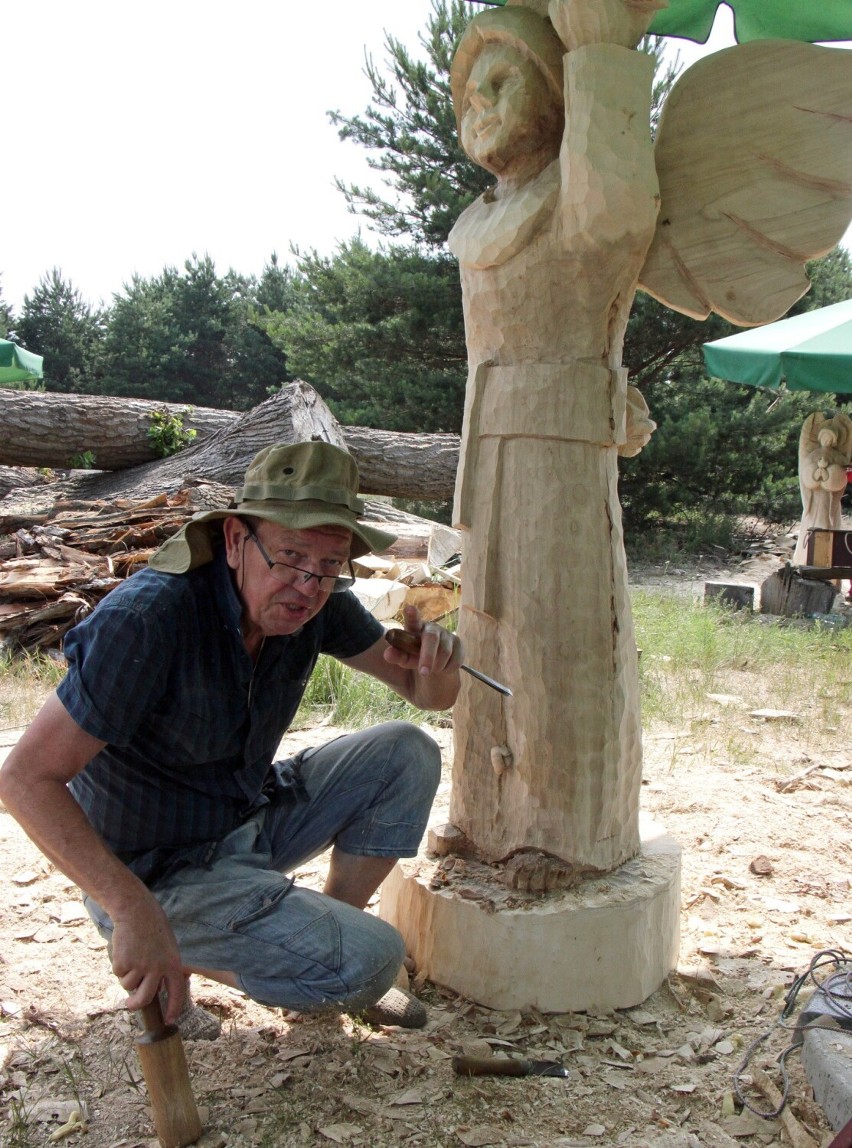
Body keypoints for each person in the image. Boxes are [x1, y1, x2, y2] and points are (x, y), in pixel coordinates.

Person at [0, 441, 463, 1034]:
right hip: (153, 869)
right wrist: (130, 906)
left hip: (242, 820)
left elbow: (425, 698)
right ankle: (249, 949)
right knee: (376, 957)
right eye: (291, 556)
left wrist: (439, 666)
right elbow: (23, 779)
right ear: (236, 540)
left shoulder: (318, 602)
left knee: (406, 751)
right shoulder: (148, 621)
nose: (307, 586)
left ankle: (316, 949)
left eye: (329, 565)